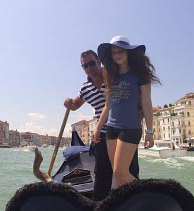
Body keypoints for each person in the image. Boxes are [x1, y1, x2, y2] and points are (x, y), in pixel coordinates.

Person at [64, 50, 139, 201]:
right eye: (85, 66)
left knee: (128, 170)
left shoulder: (114, 76)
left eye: (92, 63)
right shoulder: (85, 88)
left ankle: (138, 199)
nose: (89, 68)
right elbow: (75, 105)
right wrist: (68, 103)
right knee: (102, 173)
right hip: (102, 133)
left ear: (99, 62)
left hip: (124, 129)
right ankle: (100, 204)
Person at [94, 35, 161, 189]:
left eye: (121, 52)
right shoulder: (111, 75)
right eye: (114, 53)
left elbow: (146, 103)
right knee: (116, 176)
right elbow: (107, 105)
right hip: (111, 129)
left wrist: (149, 131)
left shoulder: (140, 75)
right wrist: (98, 128)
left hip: (130, 128)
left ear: (128, 53)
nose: (117, 55)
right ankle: (120, 204)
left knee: (121, 172)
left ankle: (152, 197)